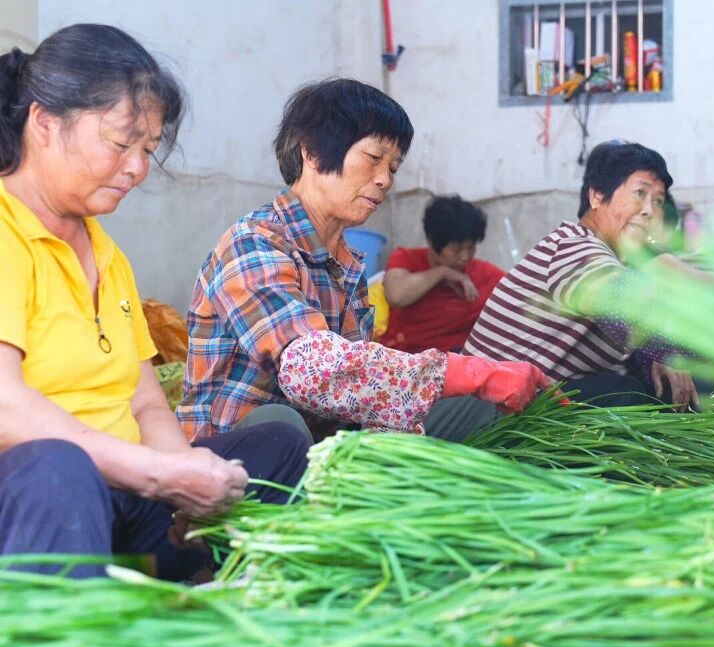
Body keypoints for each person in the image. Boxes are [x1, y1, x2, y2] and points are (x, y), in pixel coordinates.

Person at [0, 25, 310, 582]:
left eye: (147, 150)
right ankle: (66, 623)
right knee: (58, 468)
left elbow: (145, 403)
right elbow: (6, 407)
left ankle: (210, 592)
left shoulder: (107, 255)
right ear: (44, 123)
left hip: (121, 493)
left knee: (279, 447)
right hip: (38, 498)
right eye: (121, 144)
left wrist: (183, 476)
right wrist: (154, 473)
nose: (138, 168)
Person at [179, 79, 548, 443]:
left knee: (478, 407)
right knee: (278, 426)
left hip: (329, 449)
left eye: (394, 168)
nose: (385, 179)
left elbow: (357, 394)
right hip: (231, 458)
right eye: (374, 159)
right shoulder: (254, 244)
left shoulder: (347, 265)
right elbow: (311, 370)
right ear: (312, 152)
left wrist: (475, 382)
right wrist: (463, 371)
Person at [465, 141, 697, 409]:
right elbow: (621, 302)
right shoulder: (574, 246)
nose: (649, 210)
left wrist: (657, 354)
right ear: (596, 196)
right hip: (488, 410)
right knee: (625, 392)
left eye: (657, 201)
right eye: (639, 193)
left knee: (646, 386)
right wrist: (671, 349)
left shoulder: (607, 257)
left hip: (515, 402)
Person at [381, 195, 505, 354]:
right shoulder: (406, 258)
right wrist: (442, 272)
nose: (465, 257)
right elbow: (395, 296)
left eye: (471, 248)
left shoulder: (486, 274)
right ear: (432, 241)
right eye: (456, 249)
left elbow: (521, 294)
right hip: (404, 359)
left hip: (458, 361)